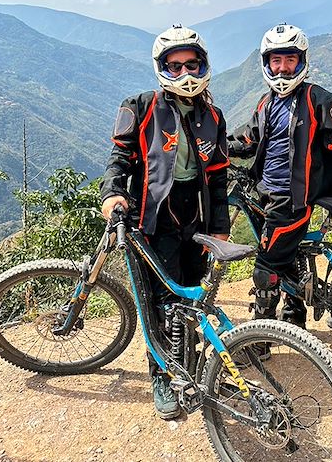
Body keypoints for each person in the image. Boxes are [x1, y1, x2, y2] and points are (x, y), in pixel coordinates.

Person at [100, 25, 230, 419]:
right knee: (160, 301)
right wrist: (112, 193)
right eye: (174, 66)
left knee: (192, 294)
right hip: (153, 215)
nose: (185, 73)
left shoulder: (213, 115)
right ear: (161, 69)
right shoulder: (139, 107)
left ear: (204, 65)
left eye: (192, 64)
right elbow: (119, 158)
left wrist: (220, 225)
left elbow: (220, 174)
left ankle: (188, 364)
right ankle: (160, 373)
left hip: (197, 215)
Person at [229, 23, 332, 351]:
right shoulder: (266, 103)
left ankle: (259, 341)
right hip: (267, 194)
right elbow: (247, 140)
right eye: (276, 61)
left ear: (301, 61)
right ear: (267, 63)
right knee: (287, 257)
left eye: (289, 60)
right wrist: (210, 147)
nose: (282, 68)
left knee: (265, 267)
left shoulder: (320, 100)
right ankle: (295, 313)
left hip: (294, 201)